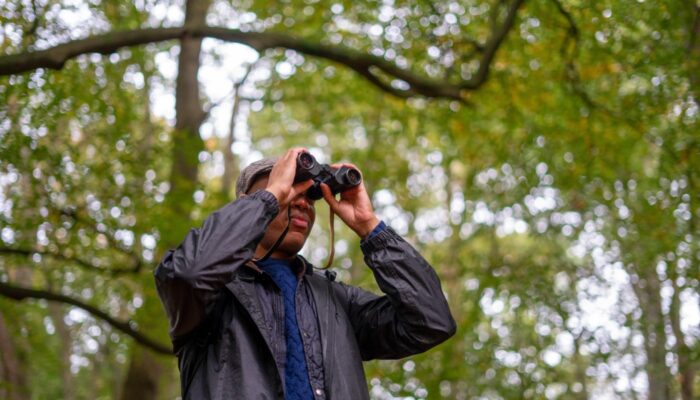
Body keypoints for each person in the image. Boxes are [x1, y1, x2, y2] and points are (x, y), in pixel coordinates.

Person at [154, 147, 456, 399]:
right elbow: (187, 274)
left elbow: (431, 322)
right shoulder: (214, 294)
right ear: (250, 205)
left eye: (309, 196)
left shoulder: (336, 301)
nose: (301, 202)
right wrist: (271, 197)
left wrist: (370, 227)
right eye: (288, 191)